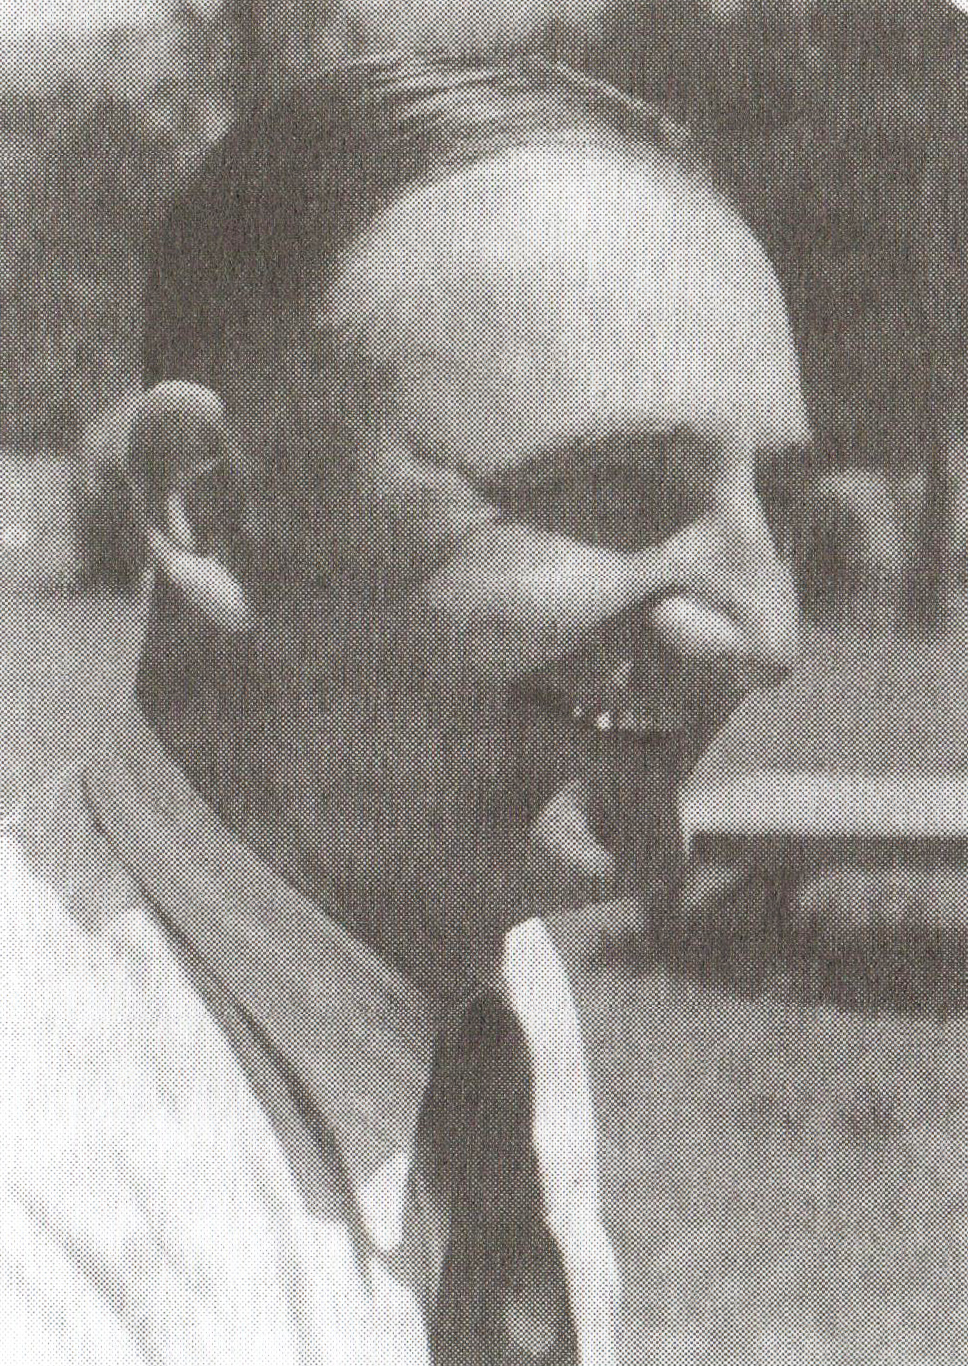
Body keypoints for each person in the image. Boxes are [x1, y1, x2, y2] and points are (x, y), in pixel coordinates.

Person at [6, 56, 805, 1363]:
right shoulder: (41, 1202)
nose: (765, 635)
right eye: (613, 489)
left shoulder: (466, 947)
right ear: (213, 510)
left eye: (775, 499)